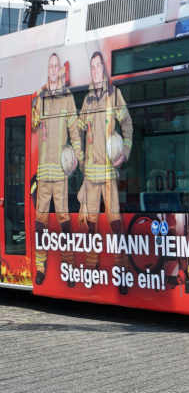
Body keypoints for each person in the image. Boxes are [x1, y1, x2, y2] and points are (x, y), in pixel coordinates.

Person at [77, 51, 132, 293]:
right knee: (90, 225)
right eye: (92, 67)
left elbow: (127, 123)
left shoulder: (114, 95)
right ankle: (91, 269)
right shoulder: (87, 101)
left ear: (104, 70)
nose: (96, 71)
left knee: (115, 224)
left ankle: (120, 269)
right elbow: (77, 129)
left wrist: (125, 152)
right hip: (90, 175)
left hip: (109, 173)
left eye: (99, 66)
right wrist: (77, 158)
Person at [32, 53, 82, 285]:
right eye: (50, 66)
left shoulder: (68, 98)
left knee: (64, 221)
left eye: (56, 67)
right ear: (48, 70)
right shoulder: (40, 99)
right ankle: (40, 267)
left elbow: (74, 131)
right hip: (43, 173)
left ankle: (68, 265)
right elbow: (32, 123)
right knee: (40, 221)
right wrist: (39, 94)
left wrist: (79, 159)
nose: (53, 70)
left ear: (60, 71)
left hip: (60, 173)